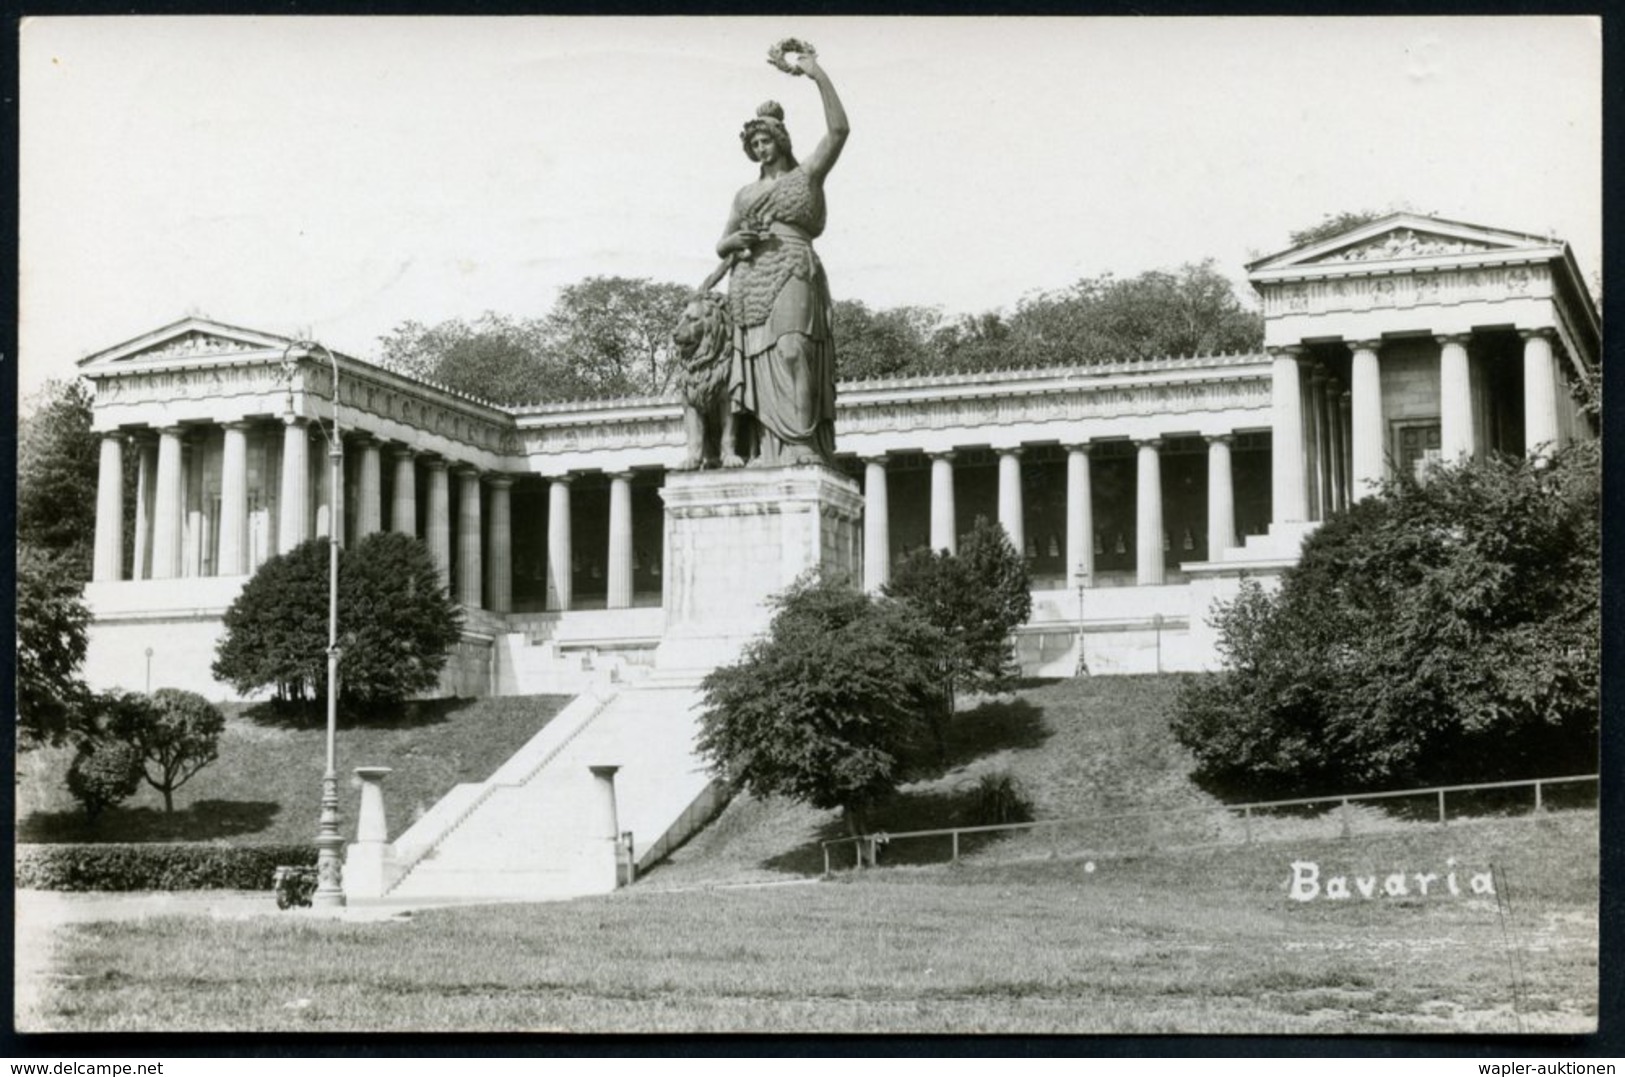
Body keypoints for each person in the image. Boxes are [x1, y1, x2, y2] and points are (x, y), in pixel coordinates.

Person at [718, 52, 849, 466]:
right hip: (749, 278)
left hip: (793, 263)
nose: (760, 149)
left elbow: (839, 130)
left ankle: (801, 440)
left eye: (766, 141)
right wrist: (737, 238)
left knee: (793, 349)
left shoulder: (806, 175)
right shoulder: (744, 195)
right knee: (759, 363)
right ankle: (769, 448)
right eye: (754, 144)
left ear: (781, 140)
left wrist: (816, 74)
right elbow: (722, 244)